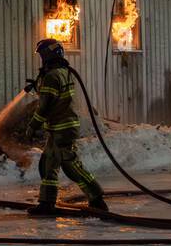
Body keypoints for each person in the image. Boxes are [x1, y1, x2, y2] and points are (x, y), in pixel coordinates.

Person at [24, 38, 108, 216]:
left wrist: (32, 126)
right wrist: (38, 87)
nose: (41, 59)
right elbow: (55, 96)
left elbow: (45, 106)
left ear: (47, 55)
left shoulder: (52, 76)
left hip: (62, 127)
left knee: (71, 166)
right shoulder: (63, 72)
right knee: (48, 164)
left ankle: (96, 198)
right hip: (63, 127)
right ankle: (47, 203)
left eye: (41, 55)